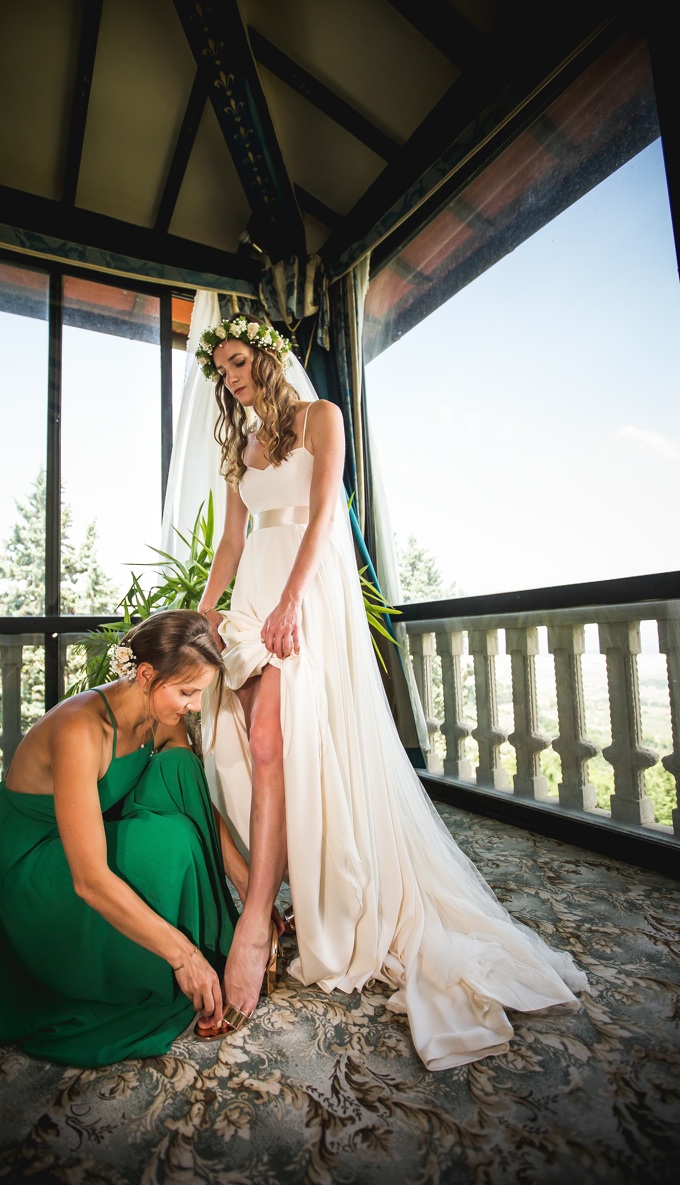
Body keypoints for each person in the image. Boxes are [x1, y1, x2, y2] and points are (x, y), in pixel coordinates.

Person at [193, 313, 588, 1069]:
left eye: (238, 361)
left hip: (303, 593)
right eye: (222, 370)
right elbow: (234, 541)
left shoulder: (320, 418)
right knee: (245, 742)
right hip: (251, 593)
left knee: (277, 738)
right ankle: (285, 894)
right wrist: (208, 610)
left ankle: (266, 922)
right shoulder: (240, 444)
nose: (230, 377)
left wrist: (291, 603)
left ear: (267, 357)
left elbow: (327, 517)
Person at [0, 610, 253, 1067]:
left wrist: (249, 890)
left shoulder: (160, 711)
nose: (194, 705)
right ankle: (174, 959)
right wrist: (183, 956)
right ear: (146, 674)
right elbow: (90, 880)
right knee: (169, 846)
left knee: (181, 766)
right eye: (187, 692)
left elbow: (190, 794)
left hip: (83, 829)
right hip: (25, 861)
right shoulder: (81, 728)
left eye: (200, 693)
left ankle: (224, 934)